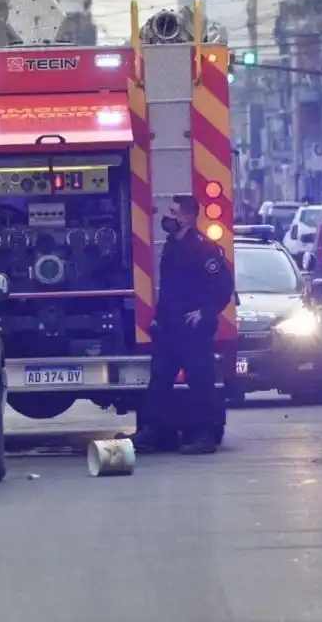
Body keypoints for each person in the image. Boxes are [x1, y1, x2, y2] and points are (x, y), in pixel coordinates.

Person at [129, 195, 235, 455]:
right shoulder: (171, 246)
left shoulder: (204, 249)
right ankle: (153, 431)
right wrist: (158, 316)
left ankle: (204, 435)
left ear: (187, 218)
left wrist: (205, 312)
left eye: (173, 212)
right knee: (159, 380)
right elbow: (168, 288)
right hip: (169, 326)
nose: (168, 217)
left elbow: (223, 286)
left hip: (192, 330)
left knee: (200, 382)